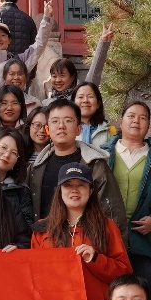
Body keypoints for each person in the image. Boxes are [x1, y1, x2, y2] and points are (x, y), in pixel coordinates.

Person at [31, 162, 132, 300]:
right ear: (59, 190)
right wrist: (15, 256)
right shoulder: (42, 229)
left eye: (81, 185)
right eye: (68, 185)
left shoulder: (107, 226)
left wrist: (96, 259)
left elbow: (124, 274)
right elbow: (34, 277)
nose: (74, 190)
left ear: (91, 190)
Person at [106, 101, 151, 287]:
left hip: (142, 240)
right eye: (131, 116)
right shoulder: (104, 154)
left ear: (148, 125)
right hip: (107, 237)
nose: (136, 121)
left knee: (140, 290)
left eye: (142, 118)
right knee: (107, 293)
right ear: (121, 121)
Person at [28, 99, 127, 236]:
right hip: (44, 241)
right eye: (55, 121)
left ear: (78, 129)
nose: (61, 126)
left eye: (68, 121)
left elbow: (113, 212)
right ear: (47, 129)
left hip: (84, 242)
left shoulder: (94, 165)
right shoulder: (36, 168)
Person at [0, 3, 53, 101]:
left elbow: (39, 45)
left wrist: (47, 18)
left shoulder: (19, 61)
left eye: (3, 35)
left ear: (9, 40)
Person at [0, 128, 35, 231]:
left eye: (14, 153)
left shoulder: (21, 191)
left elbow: (27, 231)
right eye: (3, 147)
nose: (7, 155)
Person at [74, 81, 115, 148]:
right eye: (80, 97)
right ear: (73, 103)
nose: (85, 100)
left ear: (98, 104)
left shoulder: (110, 130)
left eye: (90, 96)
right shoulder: (65, 129)